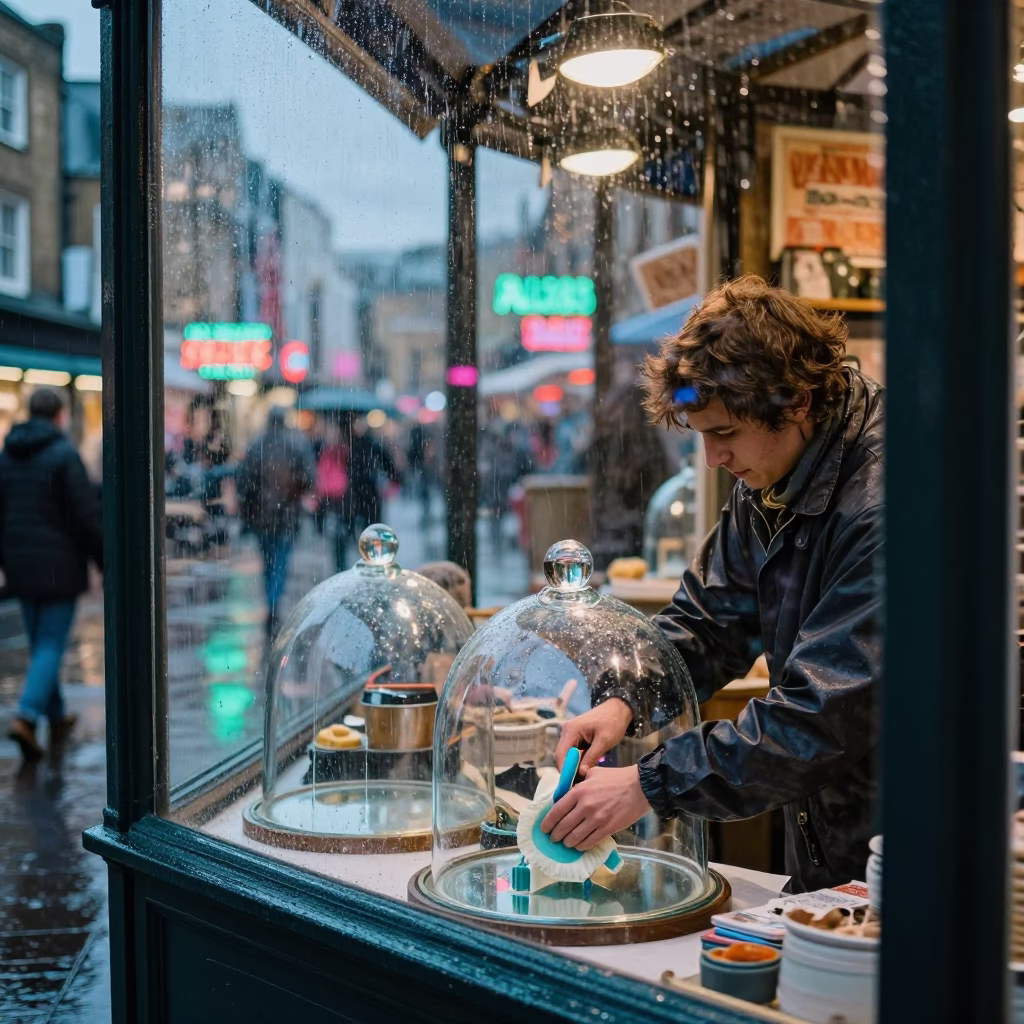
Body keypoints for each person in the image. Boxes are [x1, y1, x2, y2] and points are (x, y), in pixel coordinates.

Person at [543, 275, 883, 893]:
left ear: (797, 401)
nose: (712, 459)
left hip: (910, 854)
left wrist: (652, 783)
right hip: (827, 853)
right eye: (702, 436)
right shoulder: (776, 472)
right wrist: (626, 700)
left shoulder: (887, 505)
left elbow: (820, 716)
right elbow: (706, 622)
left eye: (724, 433)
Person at [3, 389, 103, 761]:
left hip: (19, 564)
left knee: (41, 644)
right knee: (50, 645)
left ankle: (57, 717)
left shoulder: (8, 454)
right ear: (59, 416)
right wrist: (103, 560)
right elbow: (85, 517)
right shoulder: (64, 455)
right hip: (59, 566)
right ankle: (27, 717)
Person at [237, 407, 315, 635]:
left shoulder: (257, 444)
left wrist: (249, 506)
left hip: (262, 515)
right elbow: (309, 478)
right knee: (280, 561)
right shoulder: (296, 444)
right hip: (286, 515)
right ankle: (273, 601)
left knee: (268, 561)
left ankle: (271, 601)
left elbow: (244, 479)